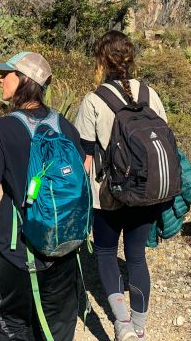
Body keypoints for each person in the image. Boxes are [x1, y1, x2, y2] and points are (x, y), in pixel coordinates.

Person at [0, 51, 86, 341]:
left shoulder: (1, 129)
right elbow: (82, 172)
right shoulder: (65, 126)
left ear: (23, 80)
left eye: (5, 74)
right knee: (57, 325)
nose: (0, 80)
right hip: (64, 247)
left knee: (12, 324)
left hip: (19, 251)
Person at [74, 30, 172, 341]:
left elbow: (84, 156)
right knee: (137, 256)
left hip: (109, 194)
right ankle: (140, 329)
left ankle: (122, 324)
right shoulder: (150, 94)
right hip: (146, 191)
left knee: (104, 251)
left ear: (102, 61)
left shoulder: (93, 100)